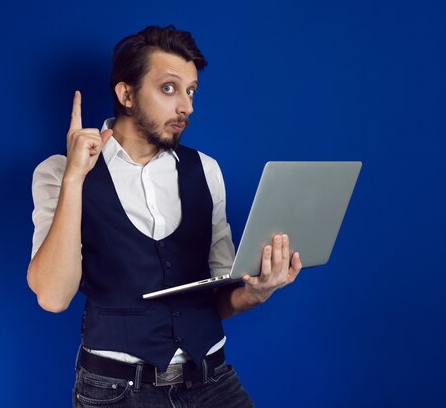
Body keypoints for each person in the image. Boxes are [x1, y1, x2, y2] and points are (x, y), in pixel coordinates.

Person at [27, 25, 303, 408]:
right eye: (169, 88)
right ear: (126, 94)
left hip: (211, 382)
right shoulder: (58, 172)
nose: (186, 106)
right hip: (117, 392)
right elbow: (53, 297)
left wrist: (257, 291)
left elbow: (219, 298)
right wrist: (76, 179)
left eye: (191, 91)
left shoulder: (205, 171)